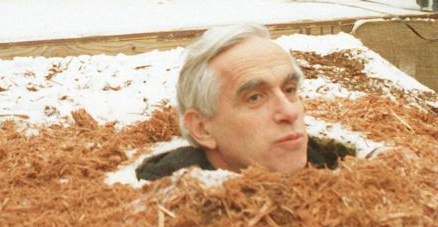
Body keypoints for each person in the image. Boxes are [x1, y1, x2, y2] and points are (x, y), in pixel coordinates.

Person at [137, 23, 354, 181]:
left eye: (289, 90)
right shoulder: (157, 213)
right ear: (202, 128)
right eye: (255, 97)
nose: (289, 112)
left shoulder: (350, 171)